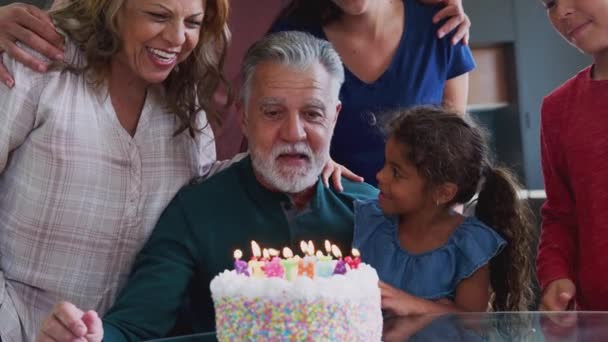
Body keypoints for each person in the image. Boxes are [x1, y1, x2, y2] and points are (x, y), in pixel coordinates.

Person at [0, 2, 351, 341]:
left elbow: (209, 182)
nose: (176, 37)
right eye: (157, 15)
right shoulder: (35, 64)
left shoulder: (186, 111)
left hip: (104, 333)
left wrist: (307, 152)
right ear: (111, 10)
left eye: (193, 23)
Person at [270, 0, 476, 185]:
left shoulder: (441, 22)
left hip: (421, 215)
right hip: (330, 211)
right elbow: (268, 128)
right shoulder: (290, 38)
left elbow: (454, 149)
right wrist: (308, 160)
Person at [353, 107, 535, 315]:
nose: (380, 176)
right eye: (385, 164)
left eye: (396, 172)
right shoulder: (370, 222)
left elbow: (473, 323)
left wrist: (415, 306)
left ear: (443, 192)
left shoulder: (468, 246)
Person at [536, 0, 608, 311]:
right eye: (549, 3)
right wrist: (556, 275)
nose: (561, 12)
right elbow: (561, 216)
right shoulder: (557, 108)